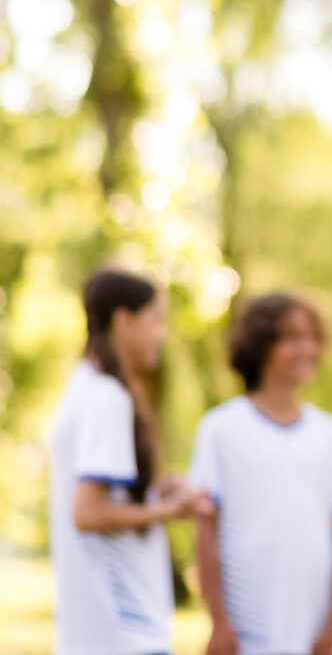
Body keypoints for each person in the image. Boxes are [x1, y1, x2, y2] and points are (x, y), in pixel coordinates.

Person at [189, 292, 332, 655]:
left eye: (313, 338)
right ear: (261, 345)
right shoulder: (221, 429)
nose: (308, 348)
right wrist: (219, 623)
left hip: (308, 630)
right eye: (293, 337)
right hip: (245, 630)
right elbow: (205, 529)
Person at [49, 266, 211, 655]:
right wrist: (171, 510)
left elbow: (102, 500)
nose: (162, 334)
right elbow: (88, 514)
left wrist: (153, 494)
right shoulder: (108, 397)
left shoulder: (83, 387)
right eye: (156, 320)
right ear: (124, 322)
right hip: (122, 635)